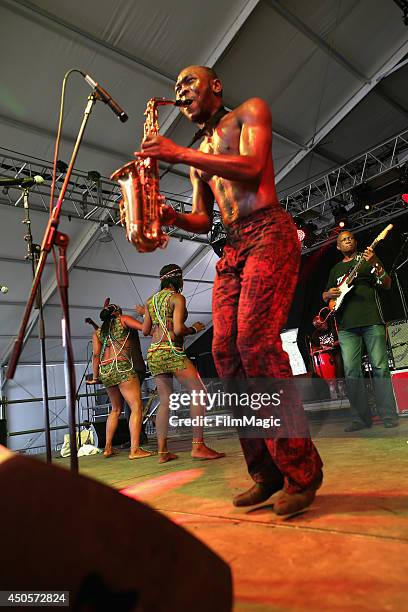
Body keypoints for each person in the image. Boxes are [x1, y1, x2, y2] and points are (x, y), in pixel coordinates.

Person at [136, 65, 323, 515]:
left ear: (215, 85)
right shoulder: (198, 151)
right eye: (177, 87)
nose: (181, 91)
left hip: (270, 232)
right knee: (225, 354)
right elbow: (205, 219)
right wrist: (174, 216)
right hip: (234, 246)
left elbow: (252, 166)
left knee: (256, 344)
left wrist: (179, 155)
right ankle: (266, 473)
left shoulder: (249, 113)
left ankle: (302, 473)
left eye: (189, 83)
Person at [142, 263, 225, 463]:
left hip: (154, 353)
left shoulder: (150, 301)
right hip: (172, 350)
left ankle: (163, 452)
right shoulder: (177, 298)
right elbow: (179, 330)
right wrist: (194, 329)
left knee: (165, 401)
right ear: (178, 279)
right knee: (199, 392)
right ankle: (198, 446)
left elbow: (145, 331)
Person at [323, 230, 398, 431]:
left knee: (380, 369)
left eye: (350, 238)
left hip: (372, 320)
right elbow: (327, 296)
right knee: (351, 373)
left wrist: (374, 262)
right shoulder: (335, 269)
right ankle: (360, 419)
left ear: (355, 242)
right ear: (338, 247)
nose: (347, 241)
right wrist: (328, 293)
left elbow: (387, 283)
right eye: (342, 240)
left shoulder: (367, 259)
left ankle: (389, 415)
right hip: (346, 326)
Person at [87, 302, 153, 459]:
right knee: (136, 406)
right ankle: (135, 450)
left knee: (115, 409)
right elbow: (145, 329)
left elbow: (96, 356)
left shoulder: (98, 332)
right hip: (122, 367)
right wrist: (146, 313)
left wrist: (96, 377)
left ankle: (108, 448)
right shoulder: (123, 319)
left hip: (106, 370)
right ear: (116, 313)